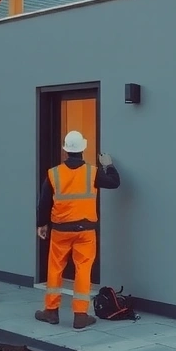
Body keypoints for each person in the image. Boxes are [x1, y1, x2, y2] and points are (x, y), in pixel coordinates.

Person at [35, 130, 120, 329]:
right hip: (86, 231)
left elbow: (44, 202)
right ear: (83, 149)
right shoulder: (93, 172)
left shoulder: (54, 173)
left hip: (60, 230)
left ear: (65, 151)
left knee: (55, 269)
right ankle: (80, 316)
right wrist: (108, 165)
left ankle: (51, 312)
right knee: (83, 270)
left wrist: (42, 224)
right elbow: (115, 183)